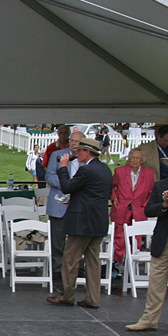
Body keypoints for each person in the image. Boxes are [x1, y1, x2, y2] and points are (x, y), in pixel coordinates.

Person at [47, 137, 112, 308]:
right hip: (98, 221)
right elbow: (92, 194)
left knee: (70, 259)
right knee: (93, 261)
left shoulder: (86, 171)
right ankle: (93, 297)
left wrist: (63, 168)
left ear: (87, 152)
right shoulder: (105, 169)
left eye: (80, 150)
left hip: (82, 222)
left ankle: (67, 295)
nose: (77, 152)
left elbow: (67, 186)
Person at [126, 157, 168, 333]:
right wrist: (164, 204)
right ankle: (149, 319)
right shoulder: (160, 185)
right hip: (162, 237)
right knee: (156, 283)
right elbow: (148, 209)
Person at [45, 130, 83, 289]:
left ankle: (78, 271)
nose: (74, 144)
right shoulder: (57, 155)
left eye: (77, 141)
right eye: (72, 141)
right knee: (58, 241)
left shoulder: (85, 159)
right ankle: (58, 274)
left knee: (78, 240)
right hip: (59, 203)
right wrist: (68, 184)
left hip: (78, 206)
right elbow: (49, 176)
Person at [111, 148, 154, 266]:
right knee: (120, 239)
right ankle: (117, 265)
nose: (134, 160)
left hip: (138, 210)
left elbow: (151, 192)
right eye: (132, 158)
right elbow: (110, 185)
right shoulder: (120, 171)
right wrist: (114, 197)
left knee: (136, 239)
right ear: (129, 159)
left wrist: (144, 206)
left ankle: (131, 266)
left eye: (137, 158)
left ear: (142, 161)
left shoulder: (149, 173)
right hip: (122, 209)